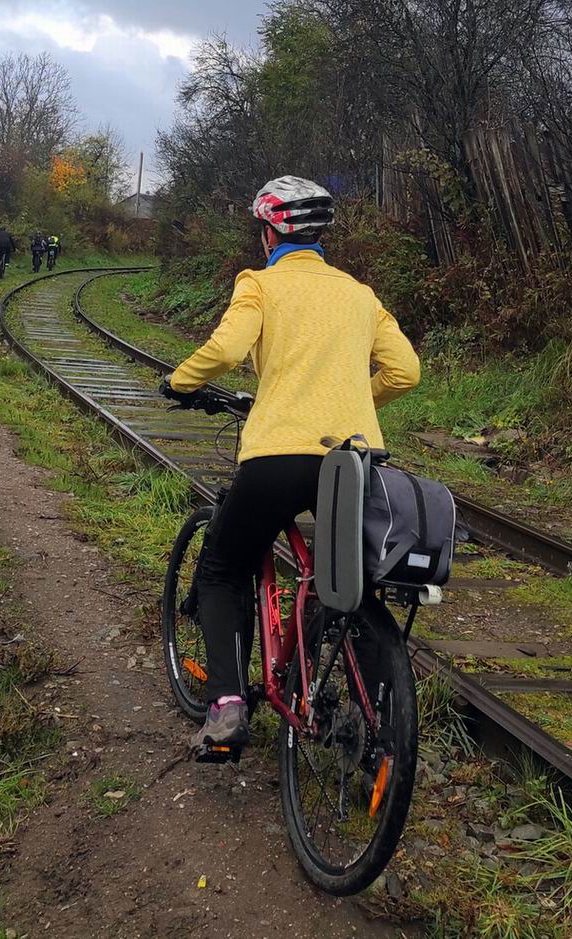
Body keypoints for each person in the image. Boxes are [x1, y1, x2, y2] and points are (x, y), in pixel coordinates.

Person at [162, 176, 421, 750]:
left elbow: (228, 351)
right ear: (321, 235)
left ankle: (227, 708)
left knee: (223, 568)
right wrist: (350, 400)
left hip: (278, 454)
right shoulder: (360, 293)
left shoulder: (259, 284)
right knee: (348, 585)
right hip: (356, 461)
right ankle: (375, 731)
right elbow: (406, 371)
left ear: (269, 233)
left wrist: (180, 382)